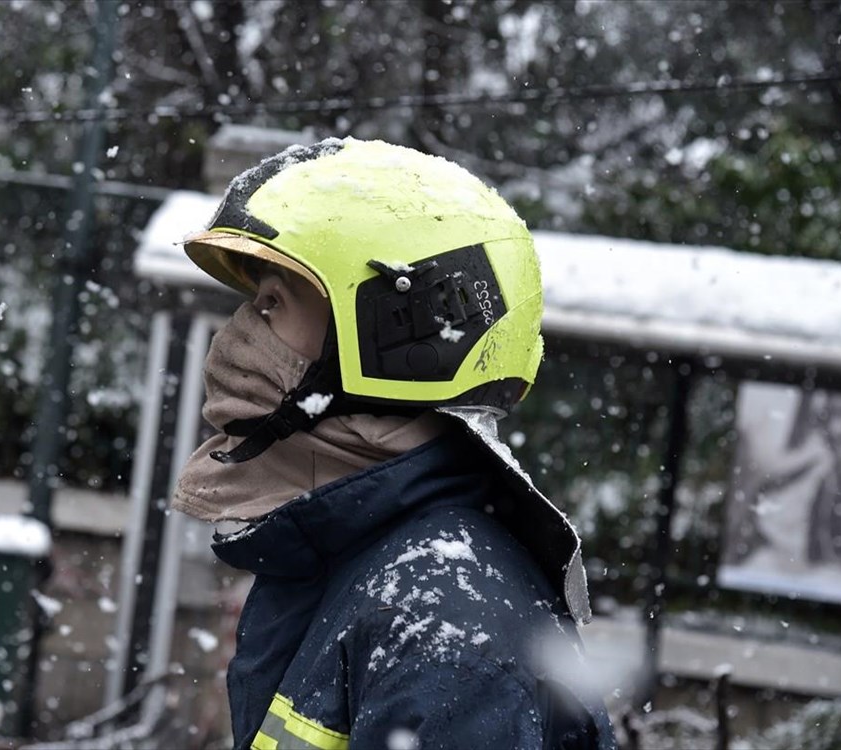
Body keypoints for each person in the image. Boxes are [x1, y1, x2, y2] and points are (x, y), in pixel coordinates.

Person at [172, 138, 617, 749]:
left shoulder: (441, 620)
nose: (238, 333)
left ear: (394, 336)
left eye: (273, 301)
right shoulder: (359, 562)